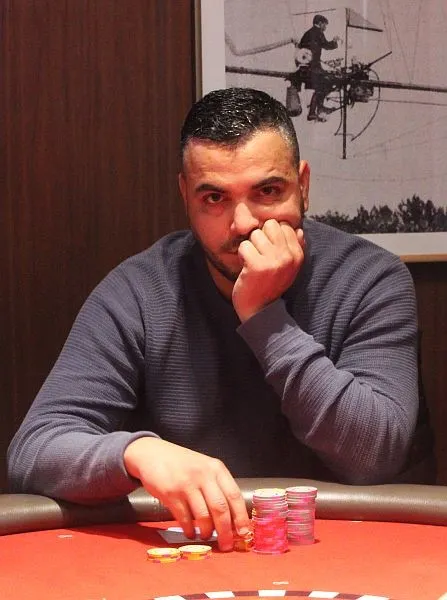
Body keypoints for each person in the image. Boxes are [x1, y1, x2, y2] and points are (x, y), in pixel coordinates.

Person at [7, 87, 431, 552]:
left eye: (268, 191)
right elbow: (35, 449)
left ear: (303, 185)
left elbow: (375, 457)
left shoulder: (371, 278)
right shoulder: (138, 290)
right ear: (185, 196)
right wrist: (136, 453)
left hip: (347, 548)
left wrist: (264, 317)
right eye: (214, 198)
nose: (243, 223)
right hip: (198, 549)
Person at [297, 14, 341, 121]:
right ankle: (315, 111)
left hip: (305, 67)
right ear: (320, 23)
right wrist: (334, 41)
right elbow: (326, 45)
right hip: (314, 67)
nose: (325, 27)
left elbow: (301, 48)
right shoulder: (318, 32)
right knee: (328, 82)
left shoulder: (307, 33)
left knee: (322, 85)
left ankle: (318, 109)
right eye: (325, 25)